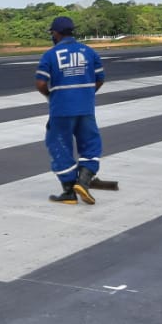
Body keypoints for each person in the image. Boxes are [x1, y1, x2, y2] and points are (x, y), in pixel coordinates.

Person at [35, 17, 104, 205]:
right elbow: (100, 79)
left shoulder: (50, 55)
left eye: (52, 33)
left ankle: (69, 190)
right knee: (90, 143)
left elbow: (40, 83)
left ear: (56, 33)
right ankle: (84, 180)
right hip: (86, 108)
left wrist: (50, 96)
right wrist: (86, 93)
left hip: (61, 109)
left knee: (58, 145)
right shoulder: (90, 52)